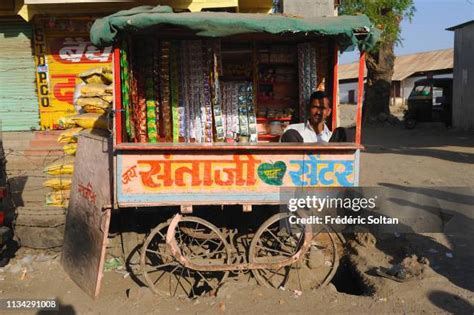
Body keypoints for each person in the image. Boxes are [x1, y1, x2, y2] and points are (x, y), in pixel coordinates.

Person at [280, 91, 346, 143]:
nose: (318, 112)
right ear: (309, 108)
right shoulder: (293, 130)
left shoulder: (331, 138)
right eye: (315, 107)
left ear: (329, 112)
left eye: (322, 108)